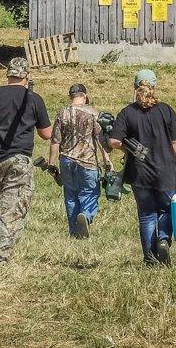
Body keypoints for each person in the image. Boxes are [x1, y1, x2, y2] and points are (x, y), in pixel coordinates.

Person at [109, 68, 176, 266]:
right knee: (167, 209)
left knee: (146, 215)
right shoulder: (166, 110)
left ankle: (150, 258)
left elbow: (113, 141)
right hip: (165, 172)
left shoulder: (127, 112)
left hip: (140, 175)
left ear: (134, 87)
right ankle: (163, 239)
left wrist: (128, 147)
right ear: (154, 87)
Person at [0, 57, 52, 266]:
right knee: (10, 211)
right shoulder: (34, 99)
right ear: (26, 76)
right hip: (19, 161)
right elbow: (46, 134)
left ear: (8, 74)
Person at [47, 83, 114, 239]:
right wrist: (107, 161)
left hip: (66, 161)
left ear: (71, 97)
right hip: (87, 162)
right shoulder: (93, 113)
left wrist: (51, 163)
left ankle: (75, 232)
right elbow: (100, 140)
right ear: (84, 96)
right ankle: (86, 215)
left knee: (71, 196)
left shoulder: (62, 113)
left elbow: (55, 141)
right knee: (90, 193)